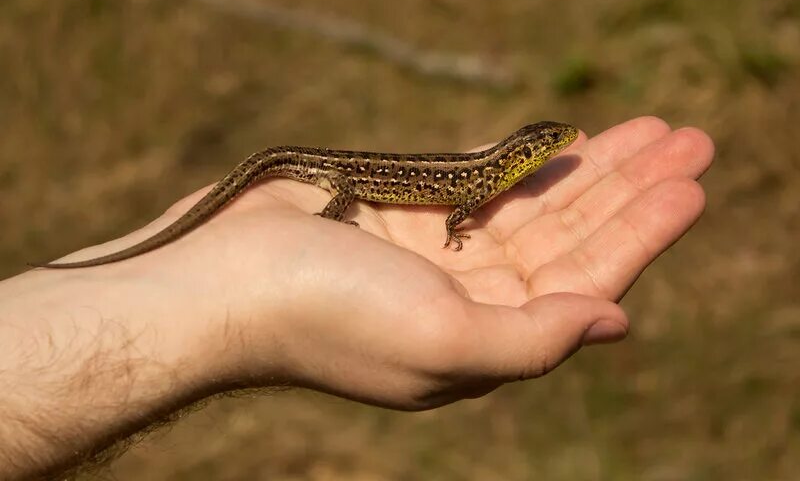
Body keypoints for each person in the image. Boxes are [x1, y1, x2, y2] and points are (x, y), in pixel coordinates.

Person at [0, 117, 714, 480]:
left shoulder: (492, 171)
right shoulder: (482, 179)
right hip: (341, 172)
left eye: (550, 144)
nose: (556, 148)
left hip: (333, 166)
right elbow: (459, 208)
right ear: (524, 155)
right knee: (341, 195)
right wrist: (453, 233)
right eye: (548, 144)